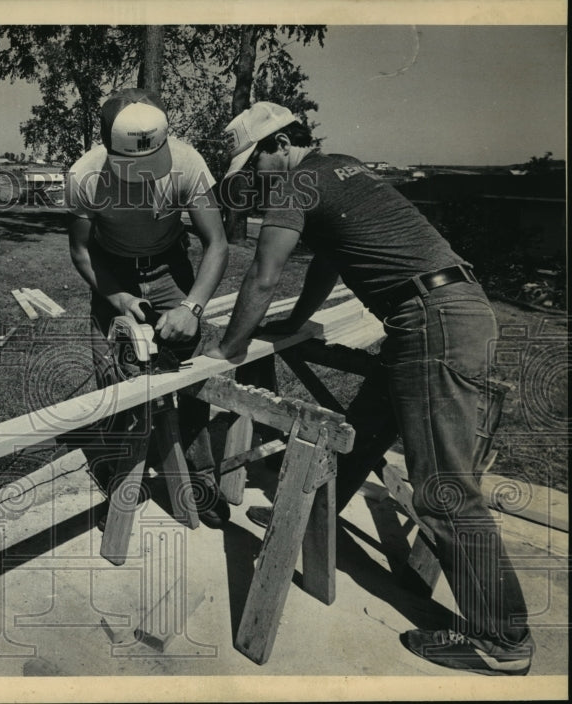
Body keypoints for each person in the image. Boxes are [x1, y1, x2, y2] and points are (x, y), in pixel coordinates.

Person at [204, 102, 534, 675]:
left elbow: (263, 274)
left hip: (430, 320)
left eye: (251, 165)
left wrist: (228, 352)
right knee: (367, 425)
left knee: (442, 491)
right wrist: (293, 322)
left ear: (275, 146)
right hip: (449, 307)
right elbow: (326, 266)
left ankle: (502, 639)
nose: (253, 180)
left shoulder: (294, 180)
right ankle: (309, 524)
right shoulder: (340, 167)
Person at [66, 87, 230, 528]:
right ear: (108, 147)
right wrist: (118, 297)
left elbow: (217, 243)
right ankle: (121, 483)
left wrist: (192, 307)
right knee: (115, 379)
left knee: (191, 372)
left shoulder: (187, 162)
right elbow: (82, 251)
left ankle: (199, 481)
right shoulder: (84, 175)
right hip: (112, 270)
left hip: (168, 268)